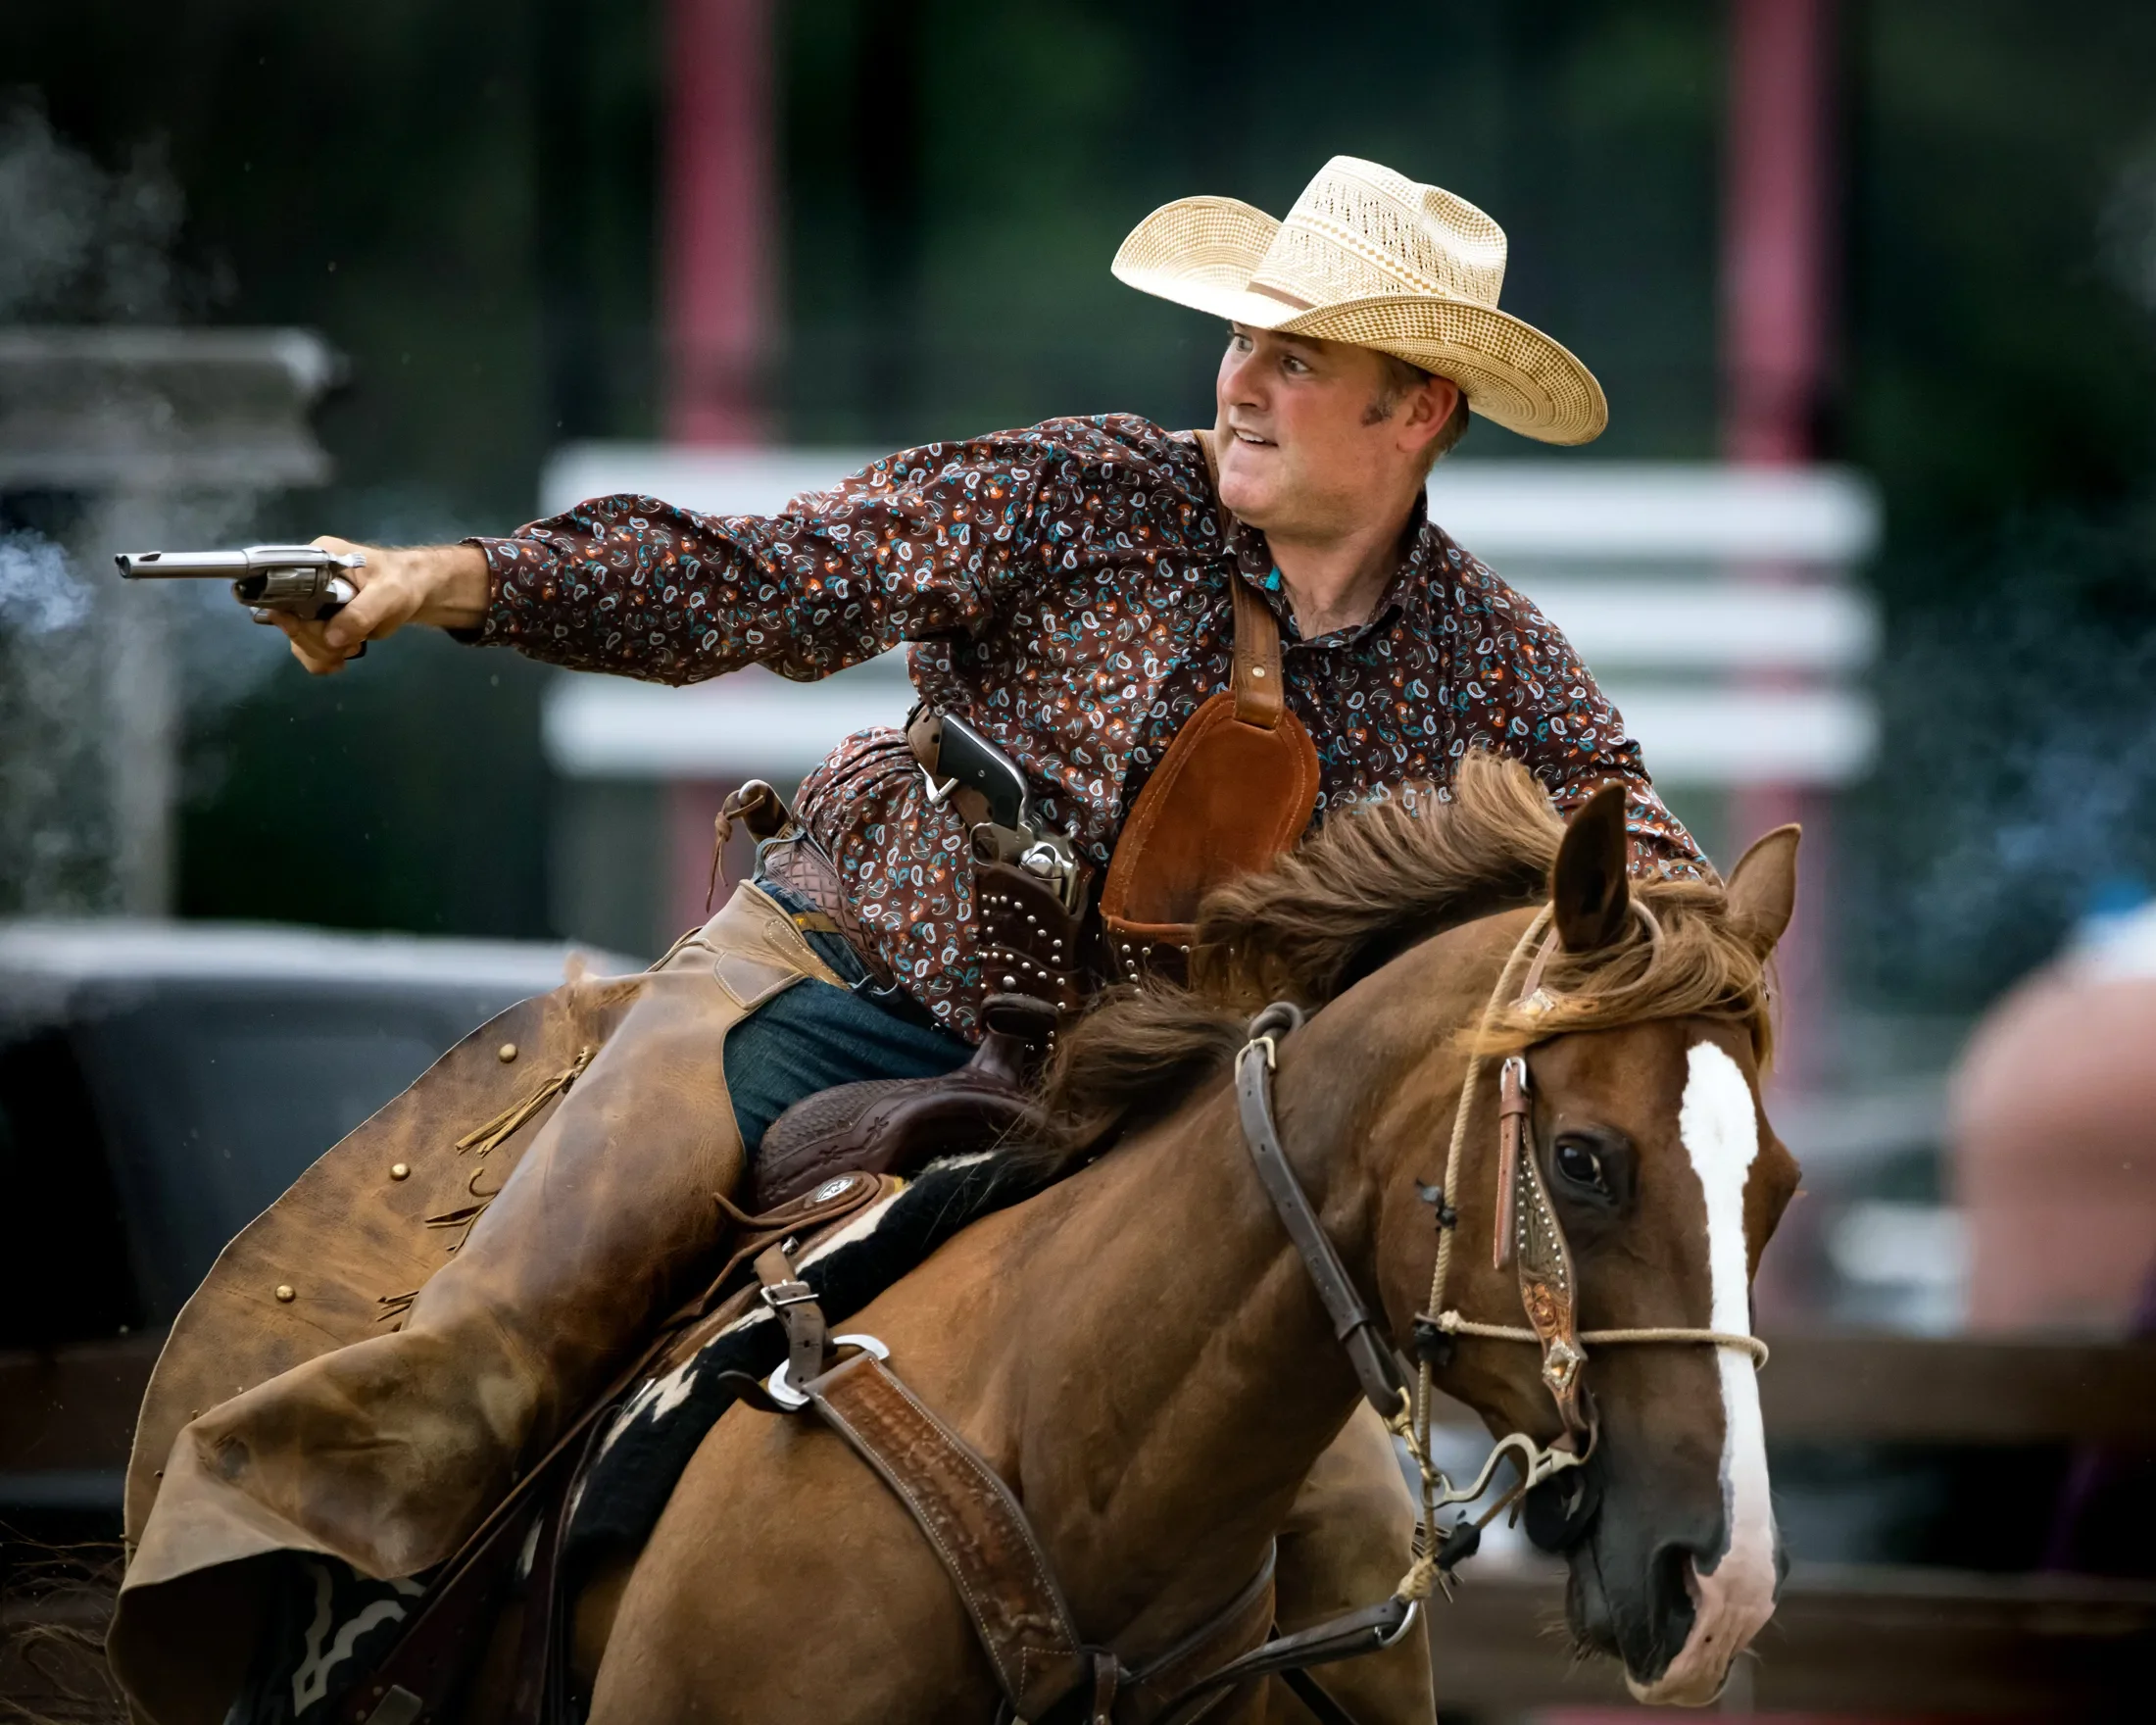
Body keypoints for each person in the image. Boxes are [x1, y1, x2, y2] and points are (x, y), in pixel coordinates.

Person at [122, 157, 1706, 1723]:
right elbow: (774, 574)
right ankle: (310, 1661)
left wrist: (1708, 975)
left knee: (1358, 1544)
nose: (1239, 384)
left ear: (1416, 408)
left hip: (1159, 1135)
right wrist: (453, 577)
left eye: (1296, 360)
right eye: (1241, 344)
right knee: (512, 1326)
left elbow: (1668, 900)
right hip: (834, 993)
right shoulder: (1086, 492)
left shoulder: (1493, 665)